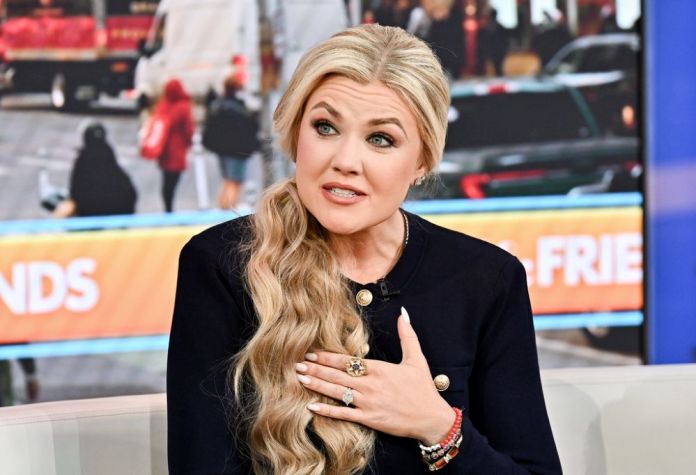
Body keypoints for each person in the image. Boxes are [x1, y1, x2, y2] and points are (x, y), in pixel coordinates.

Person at [167, 24, 561, 474]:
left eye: (380, 139)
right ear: (296, 134)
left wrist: (438, 427)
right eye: (325, 127)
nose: (345, 161)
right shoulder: (222, 266)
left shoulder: (487, 279)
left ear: (422, 161)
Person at [202, 74, 260, 209]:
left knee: (228, 180)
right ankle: (227, 211)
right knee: (235, 182)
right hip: (236, 151)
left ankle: (223, 209)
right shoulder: (237, 108)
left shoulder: (220, 105)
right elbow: (247, 128)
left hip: (223, 150)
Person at [60, 122, 137, 217]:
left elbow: (75, 191)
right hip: (118, 213)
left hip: (90, 213)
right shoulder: (108, 156)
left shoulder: (83, 160)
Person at [155, 78, 194, 213]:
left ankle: (167, 208)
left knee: (166, 181)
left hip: (163, 149)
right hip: (177, 149)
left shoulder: (163, 105)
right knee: (173, 181)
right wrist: (189, 143)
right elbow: (189, 130)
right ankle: (169, 210)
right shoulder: (183, 107)